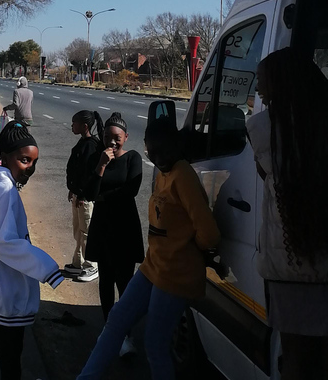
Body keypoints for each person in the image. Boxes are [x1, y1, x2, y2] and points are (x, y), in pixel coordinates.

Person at [76, 116, 220, 380]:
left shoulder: (183, 176)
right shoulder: (164, 174)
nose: (157, 157)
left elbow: (209, 234)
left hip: (174, 274)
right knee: (116, 321)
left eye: (163, 151)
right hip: (153, 267)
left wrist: (185, 250)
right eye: (151, 152)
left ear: (175, 146)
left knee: (155, 344)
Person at [247, 48, 328, 379]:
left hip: (288, 261)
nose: (258, 90)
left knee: (296, 357)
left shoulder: (262, 128)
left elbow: (264, 175)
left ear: (280, 84)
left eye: (262, 82)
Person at [0, 121, 64, 379]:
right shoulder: (5, 190)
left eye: (33, 162)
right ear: (5, 156)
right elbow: (6, 243)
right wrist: (48, 268)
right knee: (8, 361)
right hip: (5, 296)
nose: (29, 168)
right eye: (24, 160)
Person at [82, 112, 143, 356]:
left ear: (126, 137)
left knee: (125, 283)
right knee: (106, 282)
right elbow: (89, 193)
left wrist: (101, 196)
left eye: (117, 137)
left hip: (125, 228)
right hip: (102, 227)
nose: (112, 142)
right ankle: (109, 330)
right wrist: (101, 166)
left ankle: (126, 333)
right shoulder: (98, 160)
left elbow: (131, 191)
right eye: (107, 137)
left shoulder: (133, 159)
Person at [65, 110, 104, 282]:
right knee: (78, 230)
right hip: (78, 195)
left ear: (85, 126)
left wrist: (82, 194)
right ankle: (78, 263)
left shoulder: (91, 145)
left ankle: (91, 266)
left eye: (75, 123)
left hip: (85, 198)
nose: (72, 125)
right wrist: (72, 189)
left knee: (87, 232)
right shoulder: (83, 142)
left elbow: (88, 174)